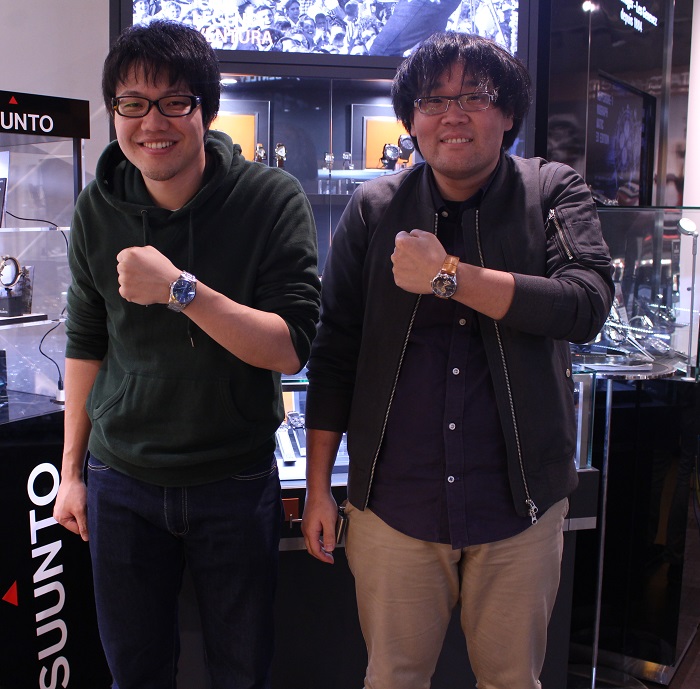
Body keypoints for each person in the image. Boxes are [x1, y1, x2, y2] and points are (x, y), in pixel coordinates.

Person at [301, 31, 613, 689]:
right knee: (393, 677)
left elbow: (585, 302)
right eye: (434, 100)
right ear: (411, 119)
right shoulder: (375, 208)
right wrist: (320, 485)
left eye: (475, 96)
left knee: (512, 680)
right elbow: (334, 352)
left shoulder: (551, 190)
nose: (453, 115)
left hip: (520, 505)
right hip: (395, 503)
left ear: (509, 111)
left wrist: (450, 277)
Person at [53, 19, 321, 689]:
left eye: (175, 101)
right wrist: (71, 471)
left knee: (242, 671)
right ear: (114, 111)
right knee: (135, 672)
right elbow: (86, 340)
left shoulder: (270, 200)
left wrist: (180, 290)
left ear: (207, 109)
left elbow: (289, 347)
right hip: (120, 480)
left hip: (235, 479)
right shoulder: (96, 208)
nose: (153, 122)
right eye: (133, 103)